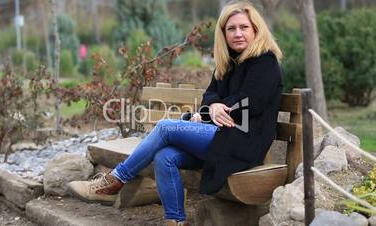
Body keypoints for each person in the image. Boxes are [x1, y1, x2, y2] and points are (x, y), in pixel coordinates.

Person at [67, 1, 283, 225]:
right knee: (165, 156)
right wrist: (210, 109)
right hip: (220, 137)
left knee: (165, 127)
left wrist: (213, 109)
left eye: (244, 27)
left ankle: (115, 180)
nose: (238, 33)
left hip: (244, 142)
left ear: (256, 29)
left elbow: (250, 104)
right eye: (231, 28)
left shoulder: (264, 62)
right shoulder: (227, 64)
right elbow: (210, 95)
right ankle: (176, 221)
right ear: (223, 34)